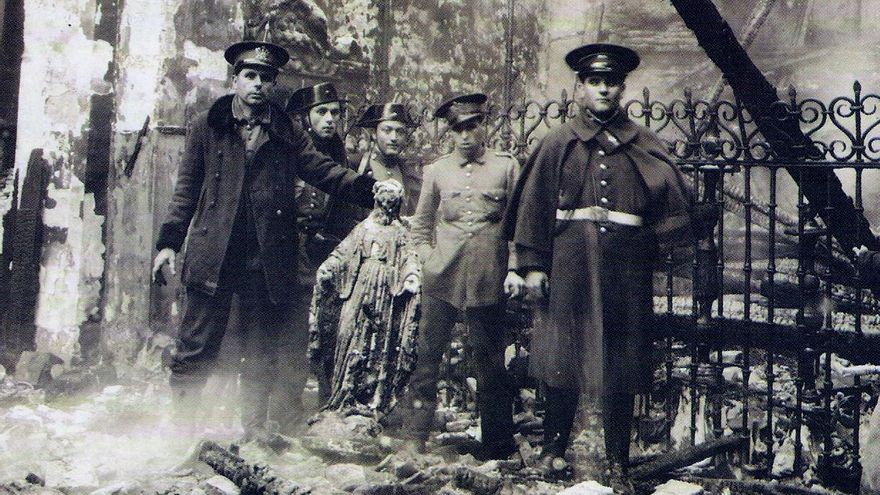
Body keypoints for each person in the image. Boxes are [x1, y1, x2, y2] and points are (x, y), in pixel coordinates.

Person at [150, 40, 377, 439]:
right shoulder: (208, 124)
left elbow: (322, 169)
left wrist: (367, 188)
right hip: (213, 254)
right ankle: (181, 433)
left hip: (263, 258)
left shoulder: (286, 130)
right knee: (196, 347)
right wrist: (169, 242)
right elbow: (186, 188)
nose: (257, 85)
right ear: (235, 79)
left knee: (258, 352)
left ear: (273, 85)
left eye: (266, 78)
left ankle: (253, 433)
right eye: (250, 76)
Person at [503, 43, 693, 476]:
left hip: (626, 269)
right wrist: (531, 264)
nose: (604, 90)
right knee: (562, 357)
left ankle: (616, 460)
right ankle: (553, 450)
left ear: (623, 87)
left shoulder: (643, 141)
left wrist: (662, 240)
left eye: (611, 82)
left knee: (621, 361)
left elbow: (672, 199)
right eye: (595, 82)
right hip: (569, 263)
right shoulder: (558, 142)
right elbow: (532, 205)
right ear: (581, 87)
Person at [390, 93, 526, 460]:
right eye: (457, 129)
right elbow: (420, 226)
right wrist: (427, 259)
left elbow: (516, 226)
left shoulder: (506, 167)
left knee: (490, 364)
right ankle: (415, 438)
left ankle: (497, 447)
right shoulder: (437, 171)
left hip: (488, 276)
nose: (466, 136)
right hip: (442, 278)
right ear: (449, 132)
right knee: (426, 359)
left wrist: (513, 267)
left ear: (484, 126)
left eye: (472, 126)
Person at [310, 179, 421, 417]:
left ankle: (372, 400)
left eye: (392, 203)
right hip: (360, 288)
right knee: (348, 335)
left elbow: (409, 257)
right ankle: (343, 394)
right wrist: (329, 266)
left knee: (379, 342)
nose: (387, 208)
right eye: (383, 202)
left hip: (385, 292)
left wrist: (411, 276)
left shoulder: (401, 232)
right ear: (376, 201)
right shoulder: (364, 228)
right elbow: (343, 252)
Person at [285, 82, 351, 405]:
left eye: (335, 113)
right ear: (305, 117)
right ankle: (286, 408)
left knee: (329, 331)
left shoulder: (339, 155)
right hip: (291, 252)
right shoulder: (293, 151)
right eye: (321, 112)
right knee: (294, 333)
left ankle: (328, 404)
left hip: (324, 253)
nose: (329, 119)